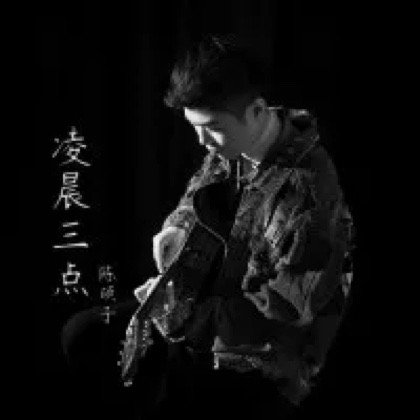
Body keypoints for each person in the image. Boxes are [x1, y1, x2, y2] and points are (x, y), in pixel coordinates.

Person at [61, 34, 355, 419]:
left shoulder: (312, 192)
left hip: (261, 356)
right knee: (83, 333)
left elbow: (282, 313)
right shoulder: (233, 140)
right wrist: (178, 229)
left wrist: (180, 315)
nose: (201, 141)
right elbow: (195, 196)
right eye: (194, 126)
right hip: (202, 305)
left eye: (211, 127)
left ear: (257, 110)